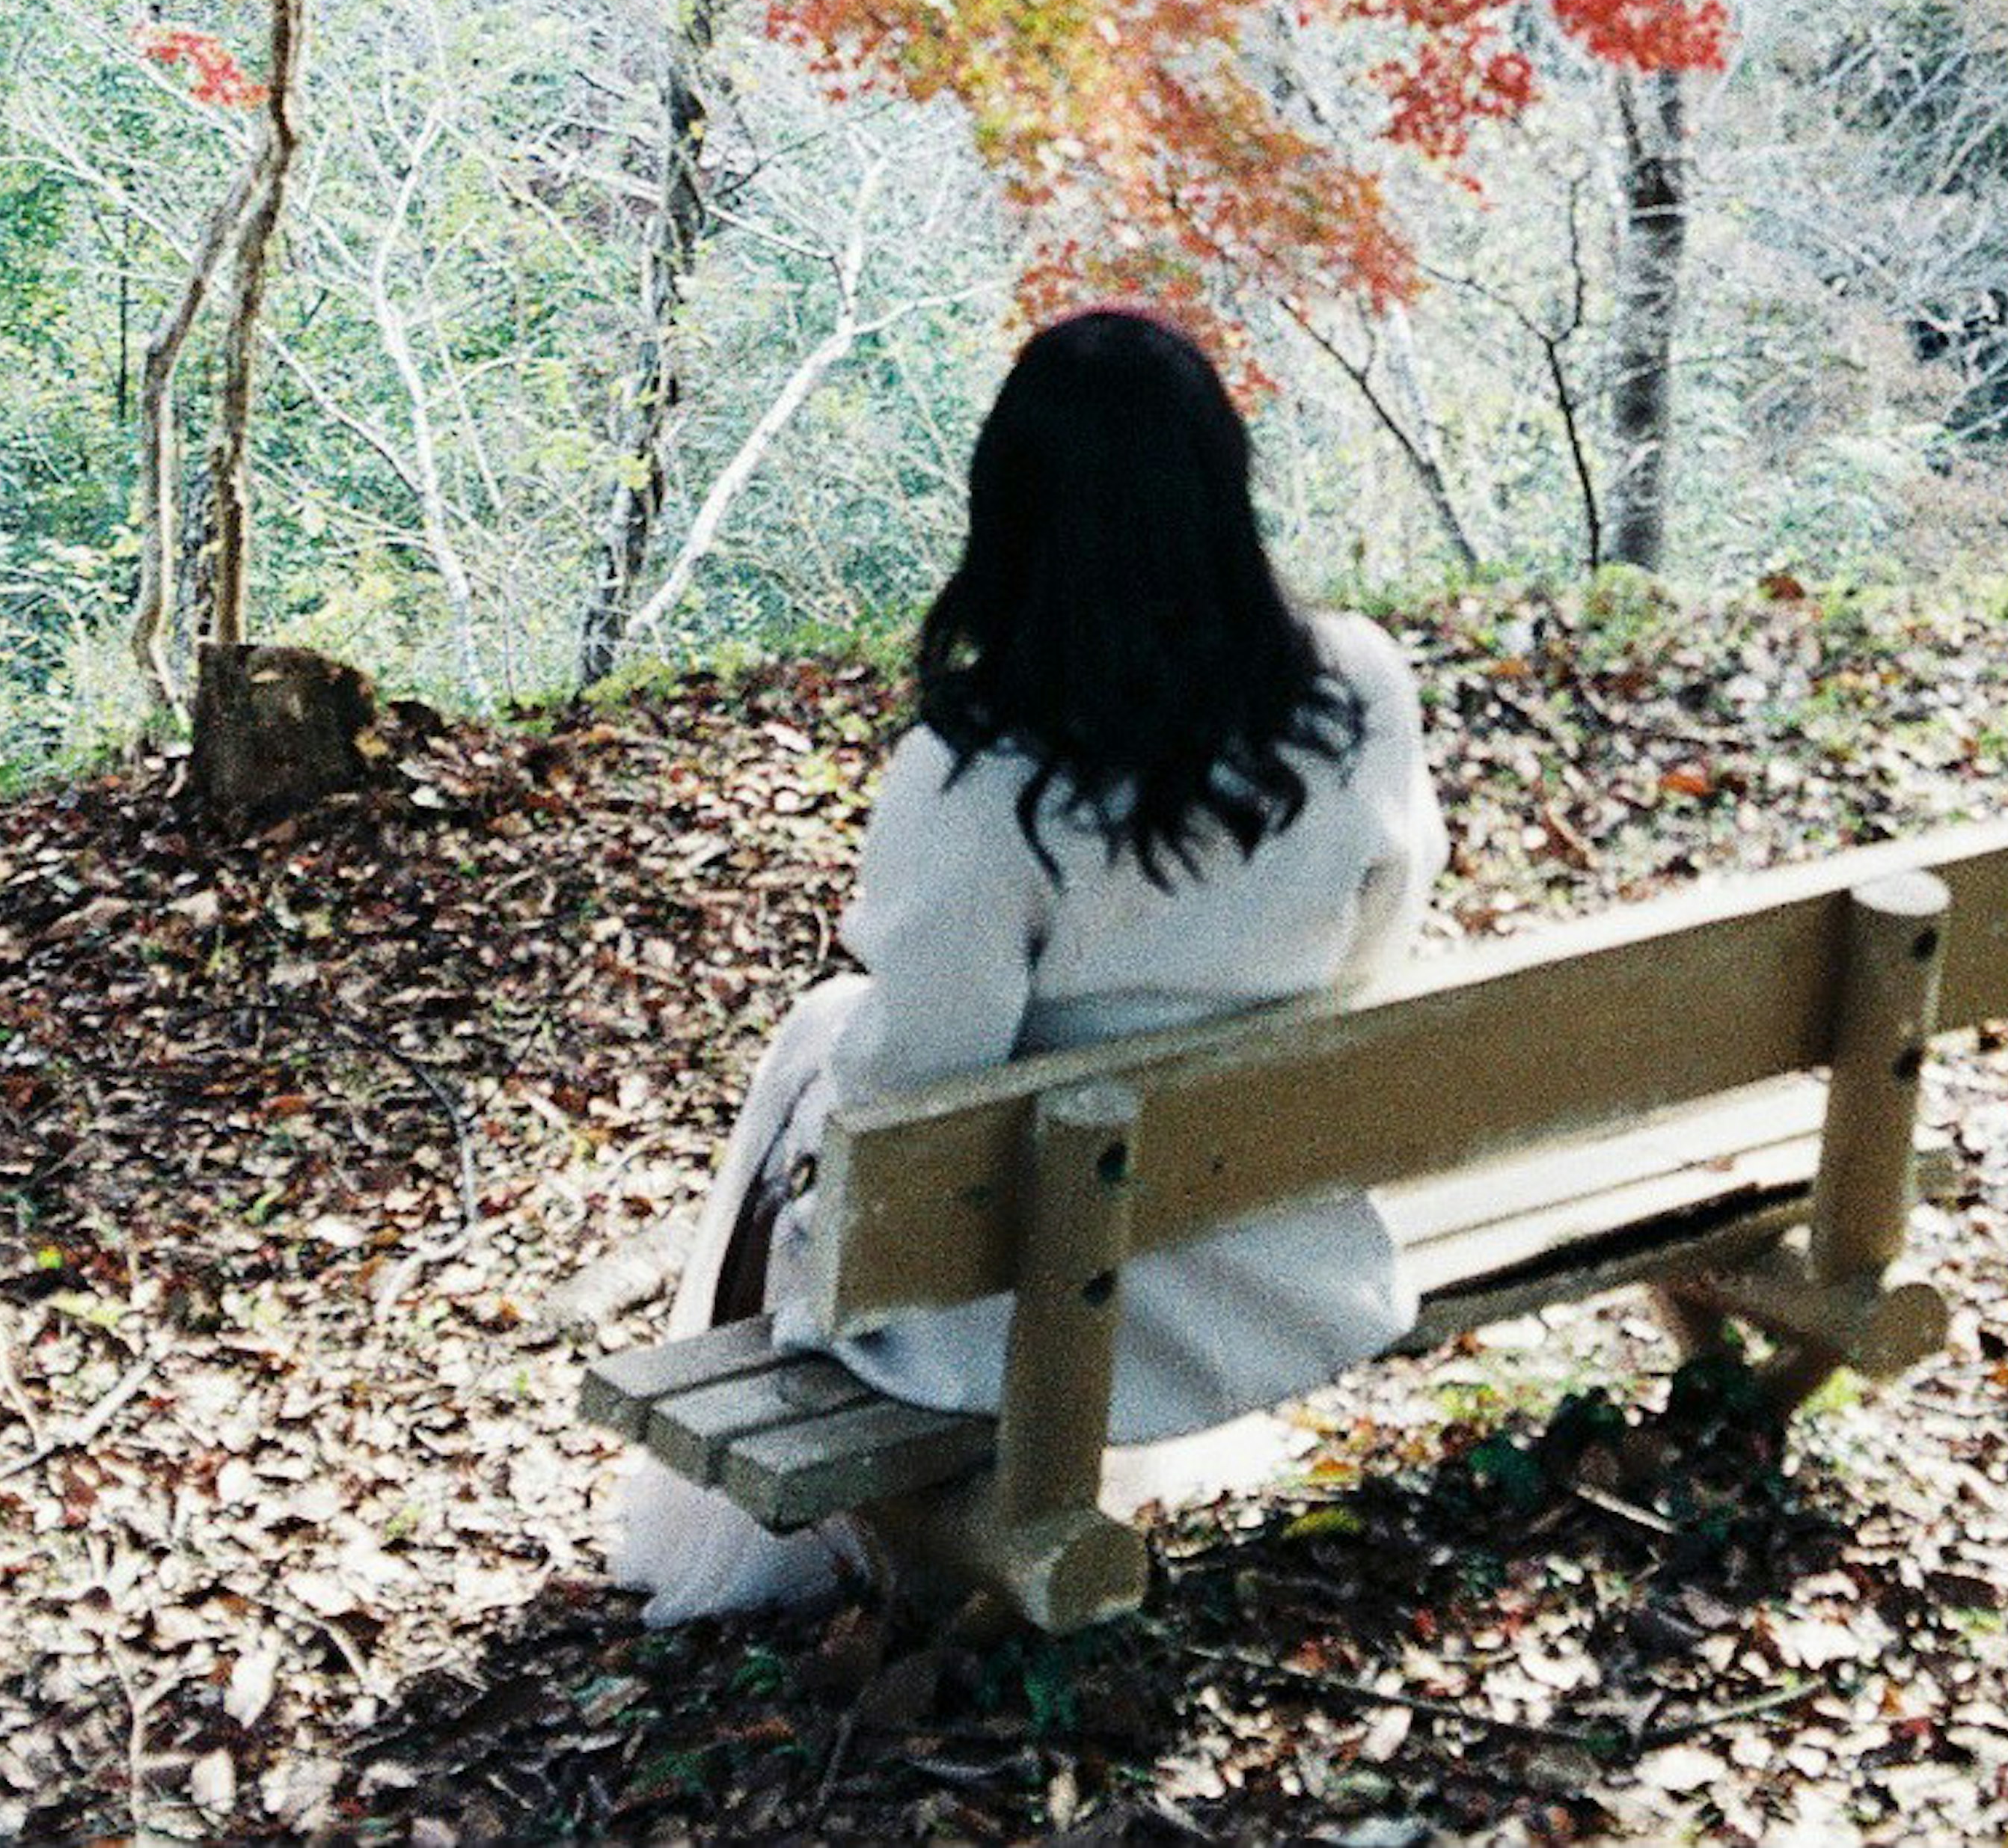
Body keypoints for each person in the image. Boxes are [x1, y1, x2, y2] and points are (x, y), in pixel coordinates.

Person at [604, 307, 1448, 1626]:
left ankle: (754, 1541)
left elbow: (918, 1078)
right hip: (1275, 1248)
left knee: (821, 1054)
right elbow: (1374, 952)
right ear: (1222, 489)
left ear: (1012, 514)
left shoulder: (986, 770)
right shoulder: (1360, 689)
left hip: (1019, 1292)